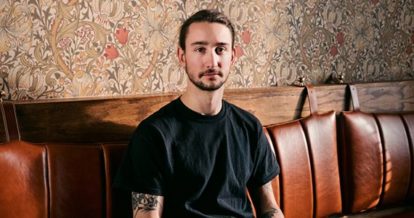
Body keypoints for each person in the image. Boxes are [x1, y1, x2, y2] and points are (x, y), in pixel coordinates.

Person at [114, 9, 284, 218]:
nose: (211, 62)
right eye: (200, 49)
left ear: (233, 56)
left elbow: (270, 208)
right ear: (182, 56)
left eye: (220, 49)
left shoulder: (249, 127)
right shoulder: (154, 134)